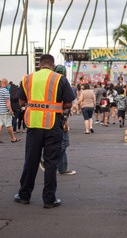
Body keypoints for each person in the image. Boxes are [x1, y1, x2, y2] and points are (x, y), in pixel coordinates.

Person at [14, 54, 75, 208]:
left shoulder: (27, 78)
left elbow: (21, 101)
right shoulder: (60, 79)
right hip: (53, 125)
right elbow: (68, 103)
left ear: (39, 65)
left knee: (31, 161)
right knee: (51, 163)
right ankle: (49, 199)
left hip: (33, 125)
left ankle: (24, 195)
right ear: (52, 65)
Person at [54, 65, 77, 176]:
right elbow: (68, 103)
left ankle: (62, 168)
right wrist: (66, 121)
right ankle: (51, 158)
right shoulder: (63, 83)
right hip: (61, 119)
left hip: (52, 118)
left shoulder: (52, 84)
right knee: (64, 143)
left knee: (61, 143)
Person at [0, 78, 20, 143]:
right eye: (7, 83)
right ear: (5, 83)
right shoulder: (6, 91)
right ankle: (13, 138)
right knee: (9, 125)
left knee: (0, 124)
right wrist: (10, 110)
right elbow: (7, 102)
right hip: (5, 111)